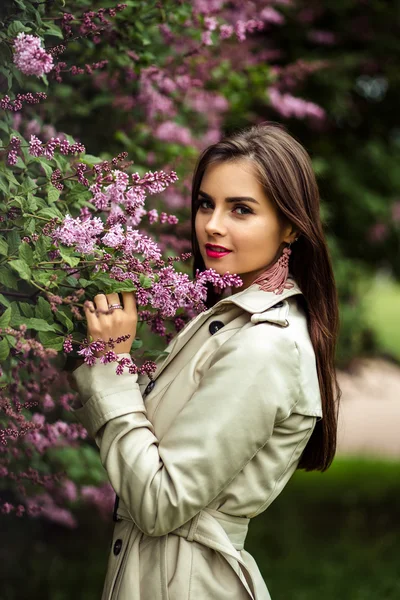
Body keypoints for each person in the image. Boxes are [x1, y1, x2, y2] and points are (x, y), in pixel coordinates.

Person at [69, 122, 341, 600]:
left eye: (241, 209)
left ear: (291, 225)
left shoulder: (265, 345)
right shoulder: (228, 319)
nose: (212, 224)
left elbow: (158, 504)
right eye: (205, 203)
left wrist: (112, 366)